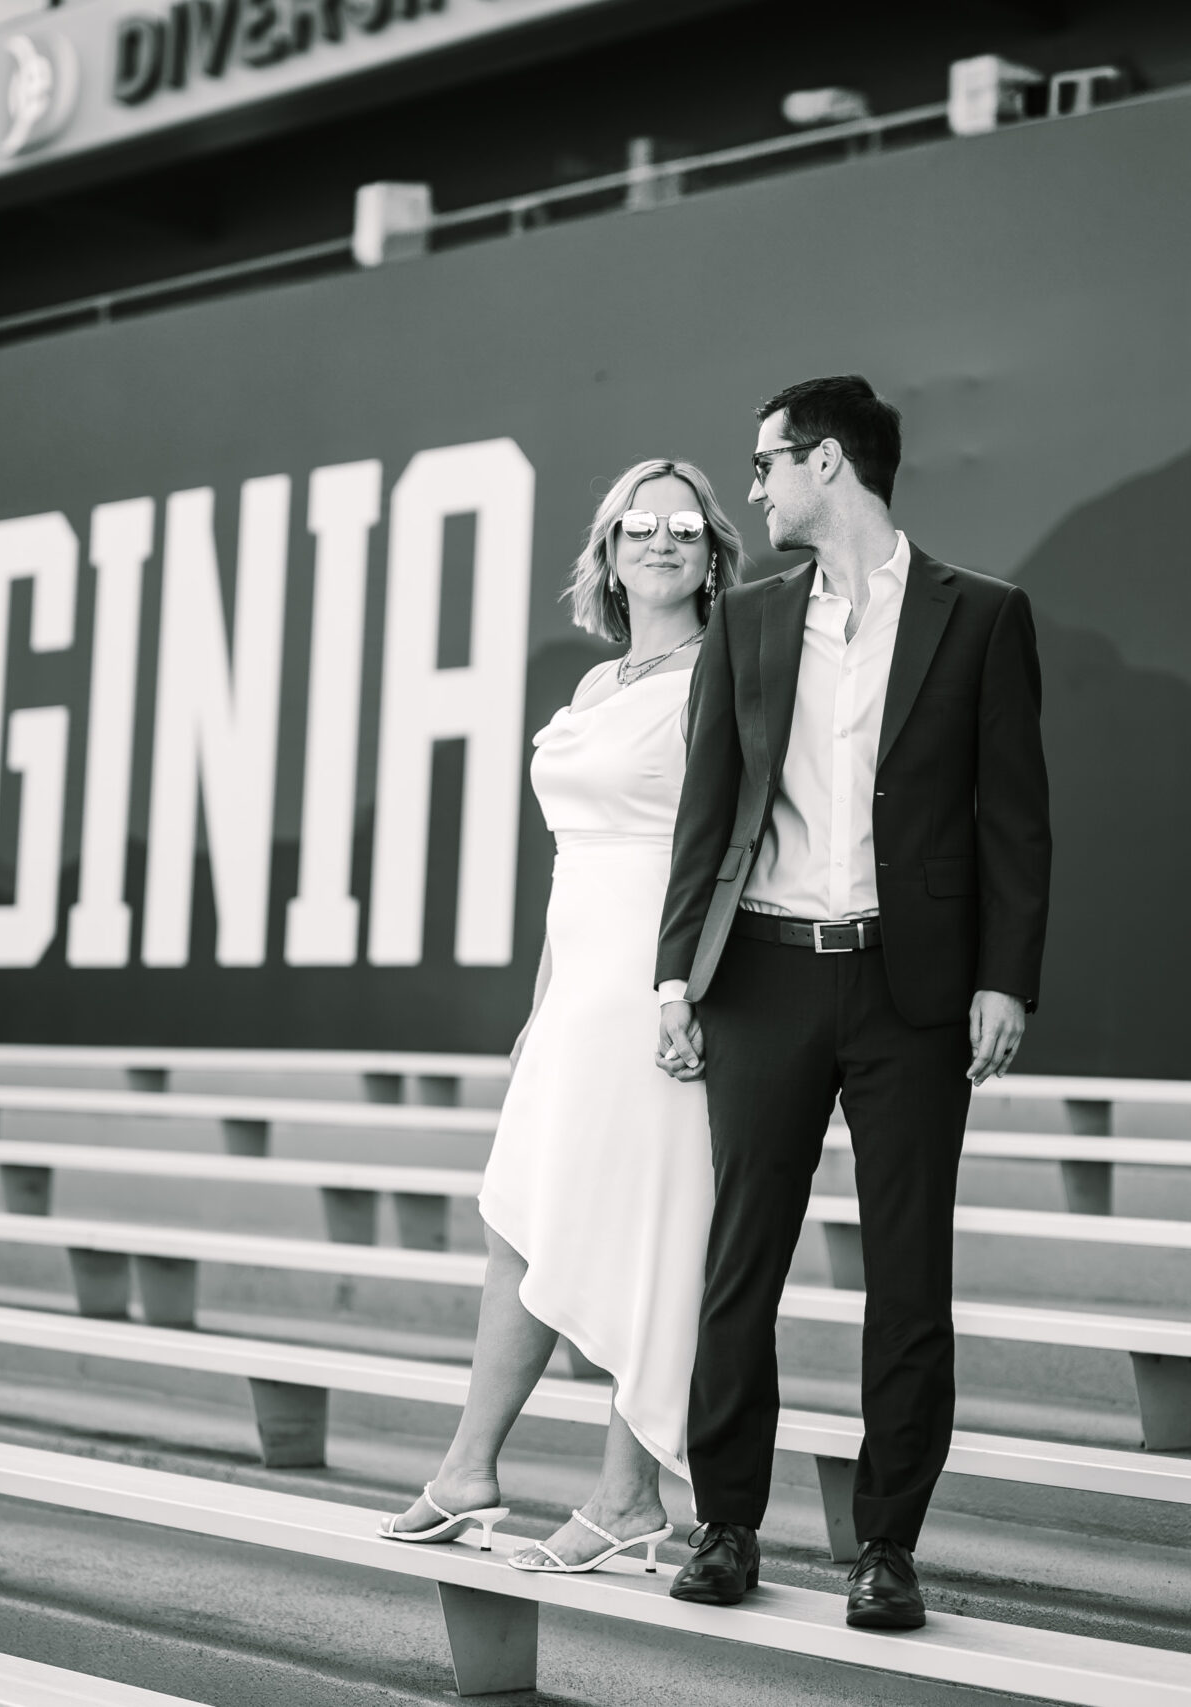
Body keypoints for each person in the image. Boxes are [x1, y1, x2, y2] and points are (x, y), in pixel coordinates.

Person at [655, 376, 1051, 1628]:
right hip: (765, 976)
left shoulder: (982, 615)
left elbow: (1014, 819)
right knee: (740, 1265)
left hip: (913, 987)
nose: (754, 487)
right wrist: (678, 973)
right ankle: (725, 1525)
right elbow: (706, 812)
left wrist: (1005, 977)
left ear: (828, 464)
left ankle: (885, 1547)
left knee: (908, 1273)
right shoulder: (750, 622)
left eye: (766, 463)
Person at [379, 458, 743, 1573]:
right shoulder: (595, 689)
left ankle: (627, 1495)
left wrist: (688, 989)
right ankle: (468, 1471)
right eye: (642, 522)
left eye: (686, 525)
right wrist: (538, 1009)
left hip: (659, 982)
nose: (663, 538)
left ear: (712, 552)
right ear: (611, 547)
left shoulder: (724, 670)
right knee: (520, 1222)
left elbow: (725, 847)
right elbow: (565, 871)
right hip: (575, 989)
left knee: (643, 1234)